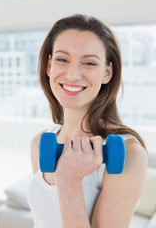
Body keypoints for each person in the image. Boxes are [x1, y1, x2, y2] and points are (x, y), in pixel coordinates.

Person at [27, 14, 148, 228]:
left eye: (89, 63)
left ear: (107, 73)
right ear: (48, 66)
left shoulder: (130, 154)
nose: (73, 75)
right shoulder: (40, 142)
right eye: (62, 59)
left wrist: (69, 181)